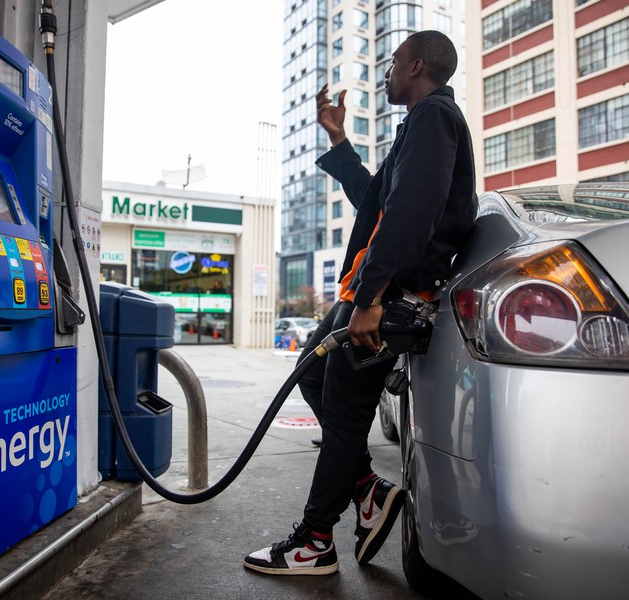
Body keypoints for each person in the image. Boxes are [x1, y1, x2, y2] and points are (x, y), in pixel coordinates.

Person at [243, 30, 477, 576]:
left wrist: (372, 296)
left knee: (346, 414)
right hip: (368, 291)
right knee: (312, 375)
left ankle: (315, 542)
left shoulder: (435, 116)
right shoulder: (419, 124)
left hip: (386, 297)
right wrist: (339, 139)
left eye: (394, 63)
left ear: (416, 66)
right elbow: (378, 202)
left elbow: (412, 214)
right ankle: (367, 489)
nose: (386, 73)